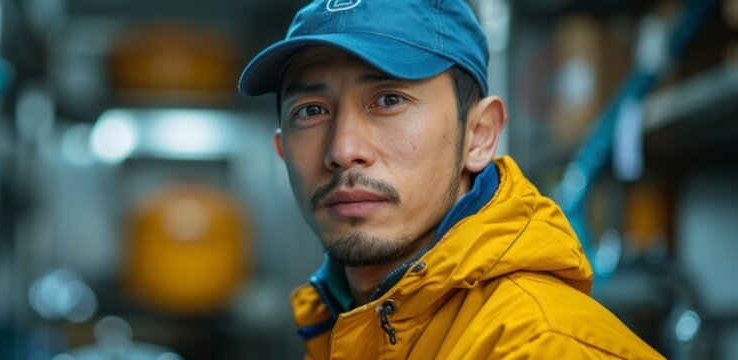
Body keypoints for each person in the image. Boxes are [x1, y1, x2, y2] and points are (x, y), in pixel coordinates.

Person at [238, 0, 662, 358]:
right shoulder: (341, 323)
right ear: (282, 151)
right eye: (311, 110)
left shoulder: (542, 345)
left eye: (388, 100)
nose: (343, 150)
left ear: (478, 137)